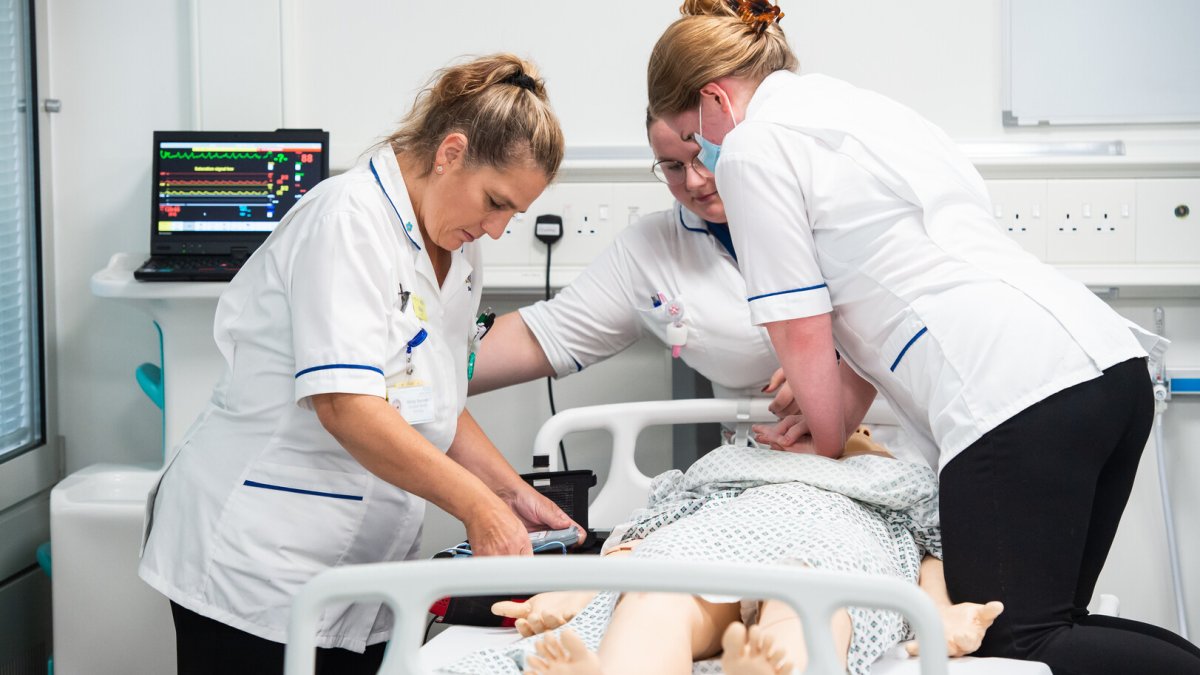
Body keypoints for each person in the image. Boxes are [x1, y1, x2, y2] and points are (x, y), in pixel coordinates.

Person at [645, 2, 1200, 673]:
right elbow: (889, 289)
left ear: (712, 101)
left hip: (1012, 397)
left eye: (688, 140)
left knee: (1013, 644)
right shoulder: (859, 109)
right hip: (1107, 370)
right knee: (1052, 629)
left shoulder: (754, 147)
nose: (699, 166)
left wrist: (824, 436)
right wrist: (840, 406)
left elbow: (803, 329)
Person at [138, 54, 580, 675]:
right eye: (495, 202)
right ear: (450, 152)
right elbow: (347, 407)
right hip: (257, 561)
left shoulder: (459, 244)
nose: (499, 229)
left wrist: (512, 495)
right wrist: (477, 508)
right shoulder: (346, 221)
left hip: (358, 569)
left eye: (514, 214)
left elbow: (435, 400)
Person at [445, 428, 1004, 675]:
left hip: (833, 551)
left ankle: (769, 669)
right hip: (714, 542)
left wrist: (941, 613)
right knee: (653, 599)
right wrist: (582, 587)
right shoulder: (723, 473)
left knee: (813, 611)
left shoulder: (896, 484)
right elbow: (646, 535)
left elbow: (931, 555)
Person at [470, 112, 793, 427]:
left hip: (843, 438)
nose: (694, 181)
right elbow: (540, 336)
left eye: (703, 156)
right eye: (673, 166)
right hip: (760, 459)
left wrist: (838, 375)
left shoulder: (814, 209)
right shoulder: (652, 249)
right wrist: (426, 367)